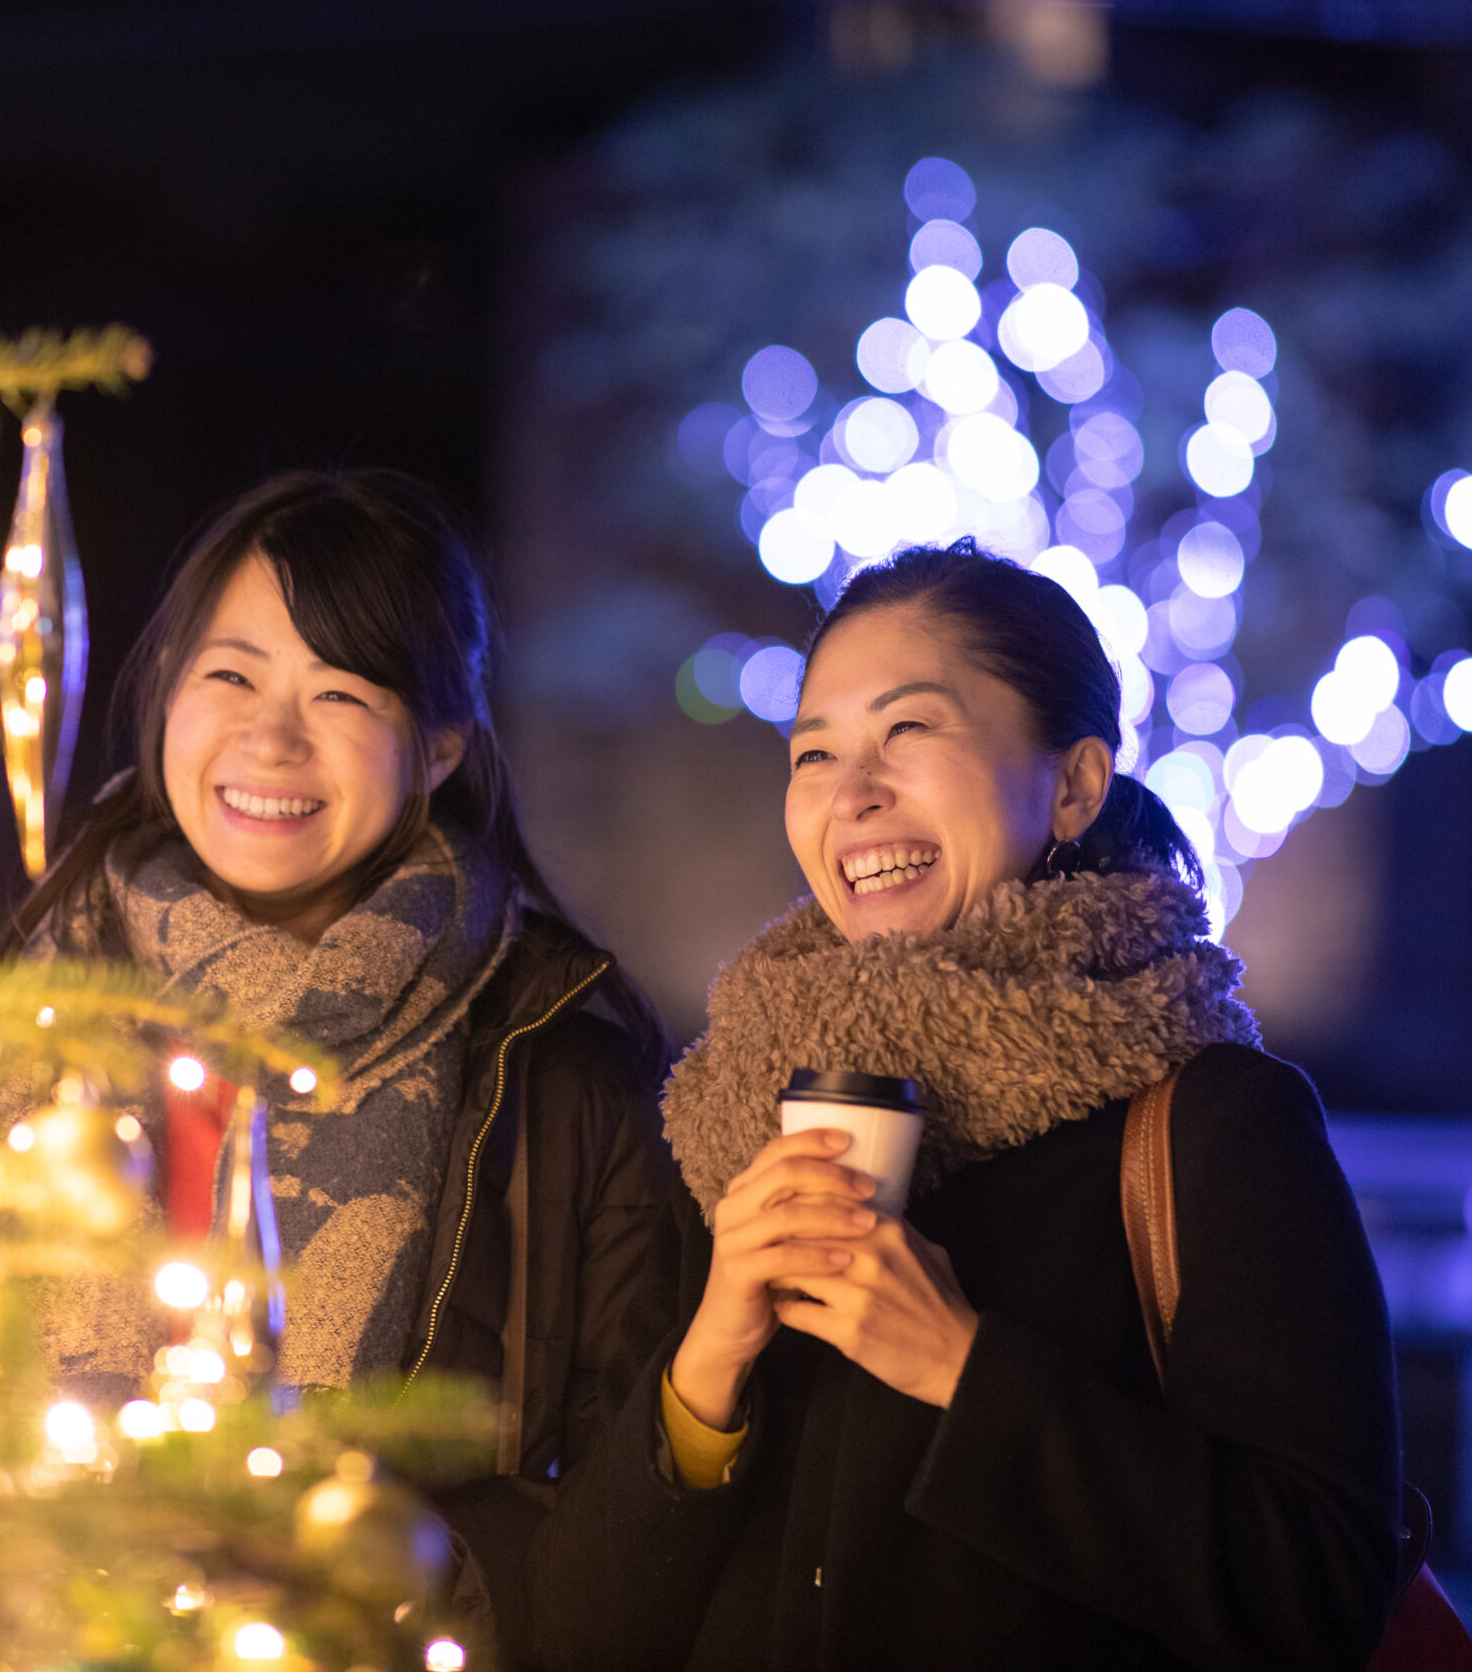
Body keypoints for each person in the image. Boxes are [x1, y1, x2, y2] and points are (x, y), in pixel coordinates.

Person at [528, 540, 1402, 1671]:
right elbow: (580, 1636)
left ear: (1076, 785)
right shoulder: (730, 1121)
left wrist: (962, 1369)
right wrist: (709, 1360)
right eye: (814, 753)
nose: (853, 794)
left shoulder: (1209, 1122)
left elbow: (1320, 1590)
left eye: (909, 732)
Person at [2, 468, 680, 1654]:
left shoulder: (561, 1079)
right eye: (231, 674)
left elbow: (610, 1538)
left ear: (439, 748)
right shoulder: (6, 1025)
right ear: (166, 692)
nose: (271, 736)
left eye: (342, 693)